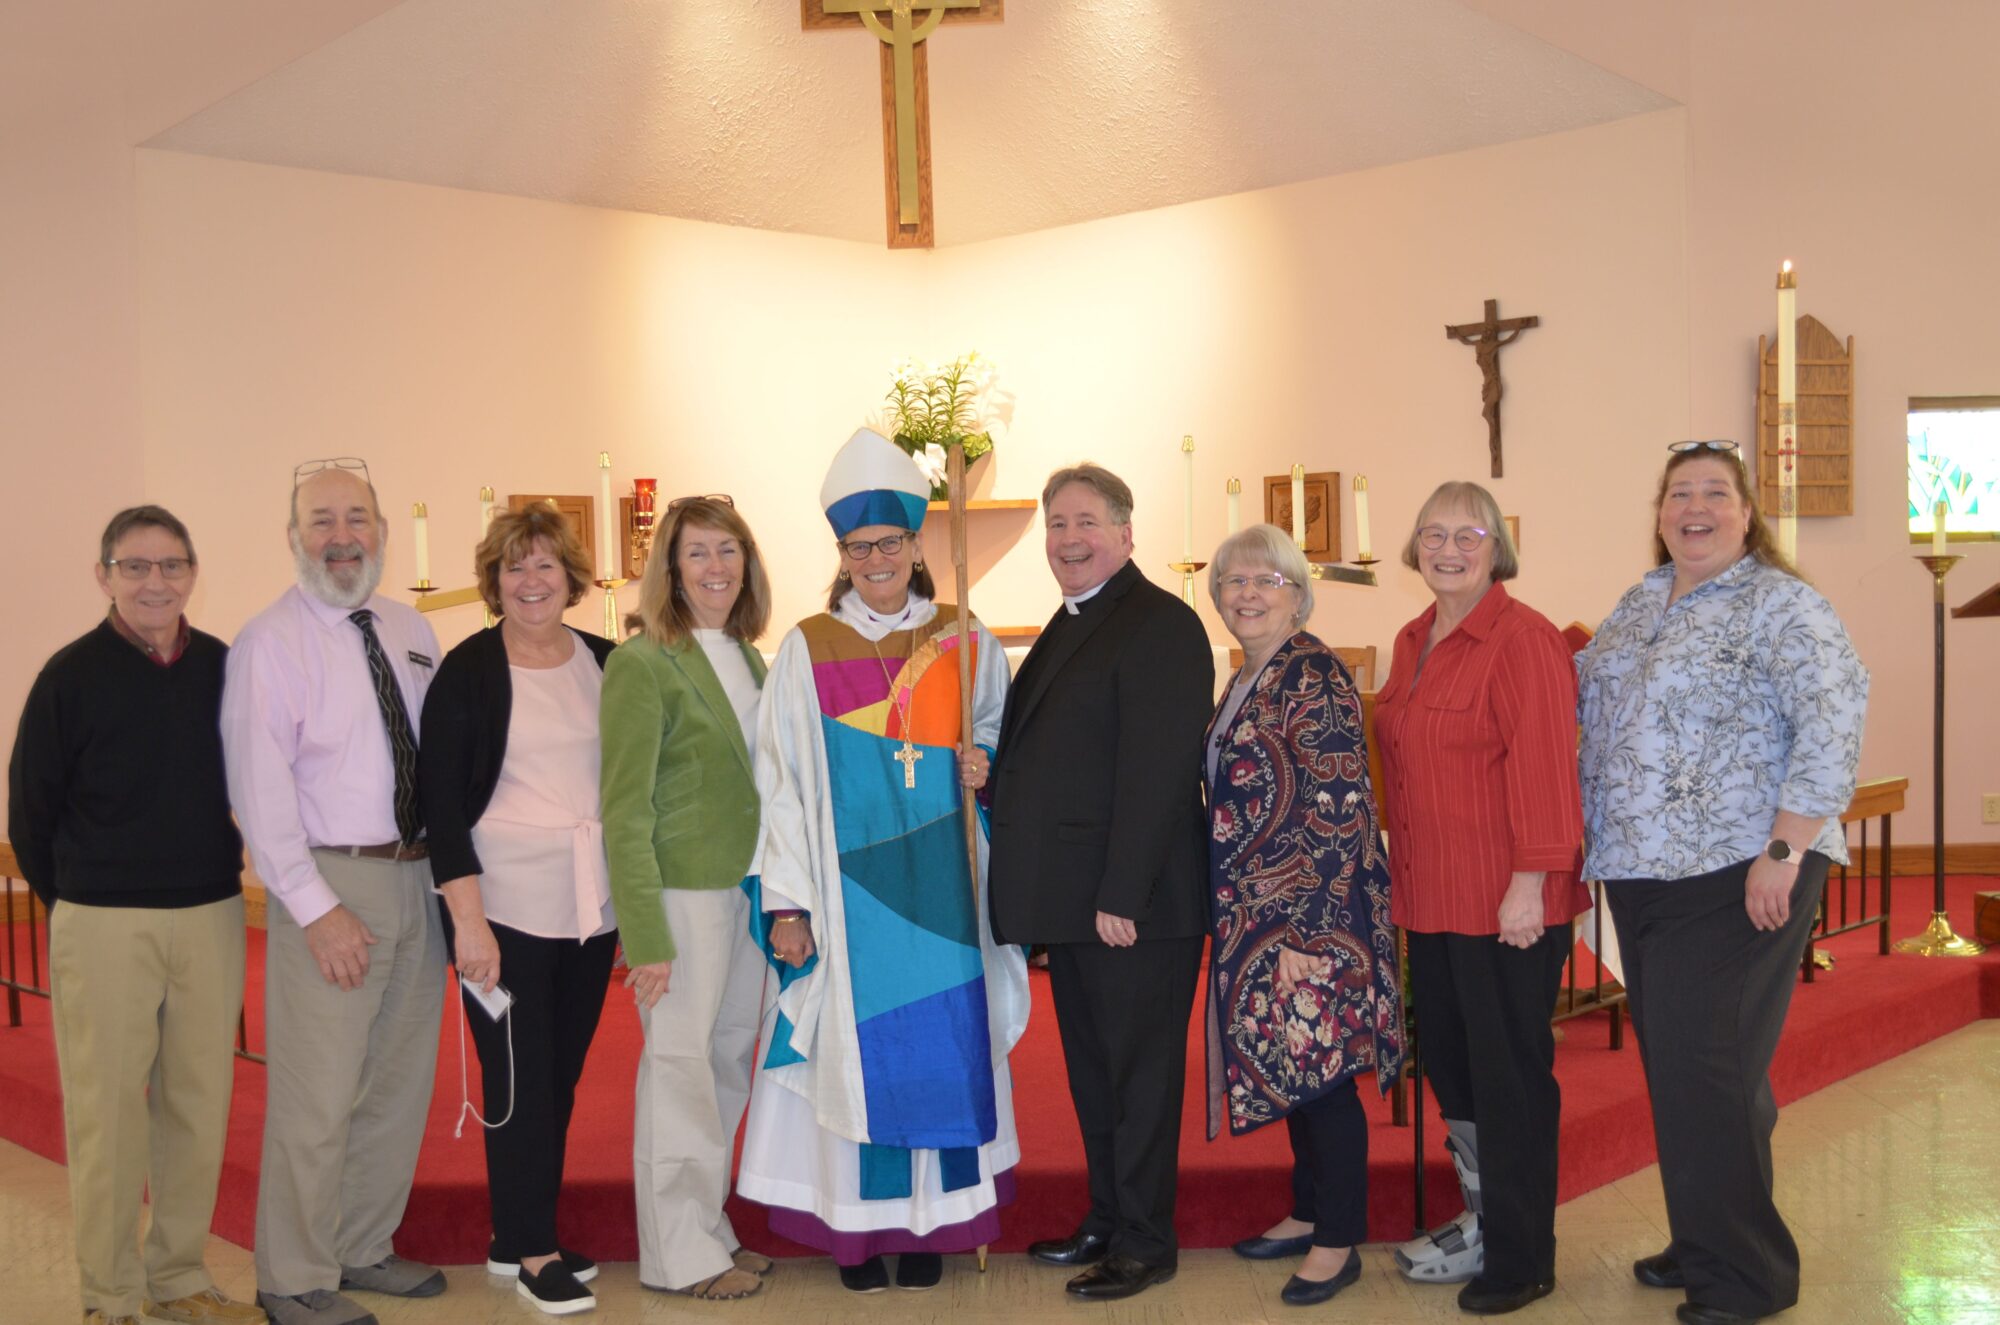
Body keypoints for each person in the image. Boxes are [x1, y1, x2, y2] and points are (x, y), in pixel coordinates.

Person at [1577, 441, 1867, 1325]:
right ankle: (1704, 1236)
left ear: (1747, 513)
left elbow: (1834, 715)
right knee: (1685, 1066)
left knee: (1712, 1065)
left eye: (1714, 493)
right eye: (1677, 493)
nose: (1693, 507)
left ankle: (1748, 1277)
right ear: (1659, 511)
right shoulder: (1639, 600)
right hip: (1645, 870)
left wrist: (1784, 849)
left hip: (1743, 868)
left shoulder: (1782, 604)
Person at [736, 428, 1023, 1295]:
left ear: (915, 547)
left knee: (940, 1045)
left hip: (943, 901)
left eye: (889, 544)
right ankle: (859, 1237)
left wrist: (986, 768)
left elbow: (1006, 748)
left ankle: (929, 1228)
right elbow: (779, 783)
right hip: (845, 892)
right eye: (857, 547)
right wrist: (787, 902)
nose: (874, 559)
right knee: (855, 1054)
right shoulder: (807, 648)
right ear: (841, 555)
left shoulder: (967, 643)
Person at [7, 507, 264, 1325]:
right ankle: (110, 1293)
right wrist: (81, 901)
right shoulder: (69, 674)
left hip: (212, 911)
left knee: (198, 1101)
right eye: (135, 566)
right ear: (105, 575)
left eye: (171, 565)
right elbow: (29, 815)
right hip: (104, 919)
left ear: (192, 571)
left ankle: (178, 1276)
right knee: (108, 1111)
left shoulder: (223, 665)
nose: (155, 582)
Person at [222, 459, 448, 1325]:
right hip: (332, 876)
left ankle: (362, 1245)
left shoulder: (409, 625)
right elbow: (259, 787)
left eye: (357, 516)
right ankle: (291, 1274)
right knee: (317, 1094)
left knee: (396, 1081)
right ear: (293, 538)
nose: (342, 534)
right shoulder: (268, 642)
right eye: (322, 519)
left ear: (382, 531)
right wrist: (316, 908)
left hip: (416, 873)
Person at [986, 463, 1213, 1302]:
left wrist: (1123, 892)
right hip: (1083, 905)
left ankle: (1148, 1240)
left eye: (1086, 523)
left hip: (1135, 908)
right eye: (1057, 525)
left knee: (1141, 1080)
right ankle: (1110, 1216)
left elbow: (1157, 772)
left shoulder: (1159, 622)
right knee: (1095, 1074)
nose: (1069, 540)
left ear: (1125, 531)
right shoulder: (1077, 618)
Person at [1371, 481, 1589, 1316]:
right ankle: (1484, 1219)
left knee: (1511, 1080)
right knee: (1456, 1073)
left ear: (1497, 546)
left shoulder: (1524, 639)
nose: (1450, 548)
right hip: (1432, 899)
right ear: (1414, 546)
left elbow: (1544, 768)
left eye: (1469, 534)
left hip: (1508, 904)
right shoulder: (1414, 635)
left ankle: (1526, 1255)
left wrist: (1530, 884)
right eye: (1434, 533)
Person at [416, 505, 617, 1315]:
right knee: (517, 1082)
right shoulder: (467, 671)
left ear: (571, 577)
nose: (530, 581)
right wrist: (468, 926)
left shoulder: (609, 660)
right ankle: (534, 1253)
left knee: (559, 1078)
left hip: (589, 906)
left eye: (544, 566)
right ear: (493, 581)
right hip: (500, 907)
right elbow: (442, 808)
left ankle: (515, 1228)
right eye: (513, 567)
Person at [1202, 524, 1405, 1308]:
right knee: (1295, 1063)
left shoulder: (1313, 672)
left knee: (1322, 1075)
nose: (1247, 594)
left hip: (1311, 919)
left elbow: (1337, 807)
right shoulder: (1251, 673)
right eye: (1233, 581)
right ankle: (1309, 1207)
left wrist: (1302, 932)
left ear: (1297, 593)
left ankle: (1337, 1240)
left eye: (1266, 580)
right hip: (1261, 917)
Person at [600, 495, 775, 1302]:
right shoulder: (641, 663)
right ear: (670, 566)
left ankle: (709, 1227)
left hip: (747, 890)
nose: (715, 567)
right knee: (678, 1069)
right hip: (681, 896)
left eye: (728, 551)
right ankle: (679, 1254)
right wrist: (645, 932)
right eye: (698, 552)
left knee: (727, 1062)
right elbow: (624, 806)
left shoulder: (748, 656)